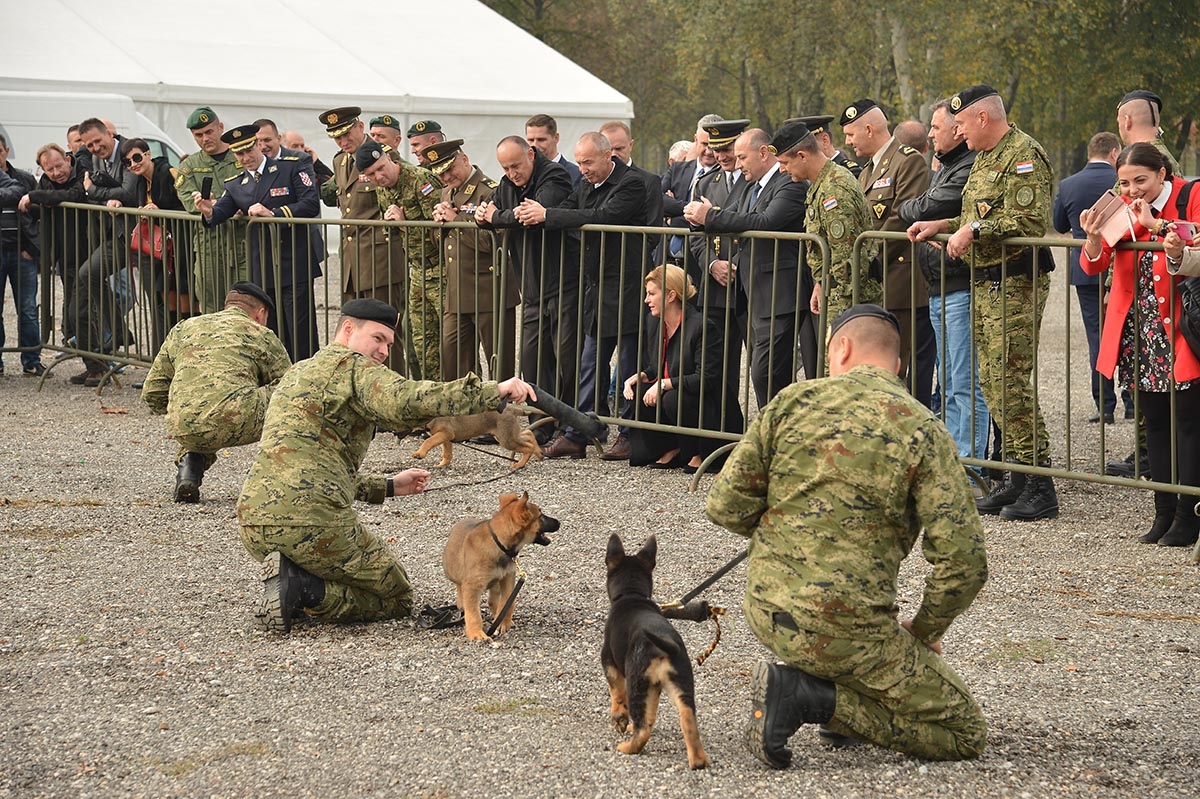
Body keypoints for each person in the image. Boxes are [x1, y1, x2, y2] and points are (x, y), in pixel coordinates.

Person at [705, 303, 988, 766]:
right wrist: (923, 630)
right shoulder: (922, 429)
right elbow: (964, 561)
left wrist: (787, 531)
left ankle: (826, 689)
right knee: (964, 732)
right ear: (897, 366)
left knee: (856, 653)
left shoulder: (790, 402)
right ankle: (811, 698)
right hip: (847, 629)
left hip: (767, 610)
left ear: (840, 348)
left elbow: (725, 506)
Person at [237, 297, 540, 634]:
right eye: (377, 339)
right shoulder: (355, 368)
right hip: (311, 523)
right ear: (348, 329)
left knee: (332, 554)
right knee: (395, 596)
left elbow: (312, 472)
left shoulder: (297, 373)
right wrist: (493, 391)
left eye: (388, 344)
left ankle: (293, 573)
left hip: (253, 521)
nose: (383, 351)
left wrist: (390, 486)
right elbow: (409, 400)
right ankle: (303, 587)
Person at [908, 84, 1058, 522]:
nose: (957, 132)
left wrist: (971, 229)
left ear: (983, 119)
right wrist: (943, 222)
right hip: (988, 283)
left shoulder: (1023, 154)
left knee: (1010, 382)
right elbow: (981, 211)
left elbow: (1029, 220)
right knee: (992, 382)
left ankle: (1039, 483)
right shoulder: (986, 158)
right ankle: (1015, 476)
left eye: (960, 124)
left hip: (1018, 282)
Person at [1078, 142, 1200, 547]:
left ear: (1162, 174)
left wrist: (1157, 225)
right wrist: (1094, 238)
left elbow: (1194, 243)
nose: (1132, 191)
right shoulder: (1123, 205)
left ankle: (1189, 514)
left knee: (1187, 422)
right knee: (1154, 423)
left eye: (1141, 181)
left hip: (1182, 328)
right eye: (1125, 183)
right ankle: (1163, 511)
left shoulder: (1190, 195)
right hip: (1140, 330)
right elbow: (1093, 262)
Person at [516, 132, 647, 461]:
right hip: (596, 288)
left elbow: (603, 217)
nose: (583, 169)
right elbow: (570, 208)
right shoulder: (586, 184)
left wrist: (548, 215)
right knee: (589, 363)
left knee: (628, 363)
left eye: (588, 162)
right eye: (580, 162)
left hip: (626, 288)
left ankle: (629, 433)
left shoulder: (631, 183)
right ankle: (579, 432)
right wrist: (543, 212)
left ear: (608, 157)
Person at [684, 128, 809, 406]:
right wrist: (703, 219)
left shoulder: (789, 183)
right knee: (763, 373)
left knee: (767, 372)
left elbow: (764, 222)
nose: (738, 164)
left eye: (742, 157)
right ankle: (772, 435)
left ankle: (777, 435)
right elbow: (736, 217)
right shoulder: (753, 186)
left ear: (764, 153)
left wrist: (712, 216)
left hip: (779, 292)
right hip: (754, 292)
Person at [897, 99, 989, 468]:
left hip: (959, 285)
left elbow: (920, 207)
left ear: (958, 128)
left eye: (936, 127)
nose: (931, 134)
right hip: (939, 285)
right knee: (949, 384)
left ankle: (970, 470)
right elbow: (916, 205)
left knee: (965, 384)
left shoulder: (966, 166)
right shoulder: (947, 166)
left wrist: (921, 207)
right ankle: (955, 463)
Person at [141, 282, 290, 503]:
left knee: (202, 402)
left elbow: (152, 391)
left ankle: (189, 468)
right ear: (260, 313)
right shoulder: (261, 334)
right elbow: (291, 386)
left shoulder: (184, 328)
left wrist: (177, 414)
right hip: (235, 419)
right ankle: (279, 481)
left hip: (184, 424)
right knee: (288, 394)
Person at [474, 136, 578, 442]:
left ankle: (571, 427)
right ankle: (540, 424)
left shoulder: (554, 175)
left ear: (531, 155)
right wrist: (484, 218)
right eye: (505, 167)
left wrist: (497, 217)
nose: (511, 173)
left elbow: (531, 216)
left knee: (566, 358)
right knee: (532, 359)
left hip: (562, 283)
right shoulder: (508, 184)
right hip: (531, 287)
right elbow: (495, 211)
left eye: (516, 165)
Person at [193, 124, 322, 362]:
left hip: (294, 260)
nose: (245, 158)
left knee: (300, 329)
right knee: (270, 329)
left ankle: (307, 378)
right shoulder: (235, 183)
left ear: (258, 145)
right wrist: (207, 210)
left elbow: (310, 203)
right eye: (239, 154)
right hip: (262, 266)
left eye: (249, 150)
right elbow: (218, 213)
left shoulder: (290, 167)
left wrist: (274, 214)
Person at [841, 99, 934, 406]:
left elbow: (903, 218)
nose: (848, 142)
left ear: (869, 129)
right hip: (878, 282)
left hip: (902, 282)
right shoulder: (868, 170)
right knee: (883, 368)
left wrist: (861, 253)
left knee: (906, 367)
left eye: (851, 134)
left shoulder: (907, 161)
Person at [316, 106, 410, 374]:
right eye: (337, 138)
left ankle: (393, 394)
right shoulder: (340, 161)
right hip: (352, 262)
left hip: (380, 258)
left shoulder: (385, 156)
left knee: (385, 334)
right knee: (355, 333)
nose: (343, 142)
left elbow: (402, 195)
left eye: (347, 134)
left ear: (360, 127)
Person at [768, 121, 882, 339]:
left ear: (802, 156)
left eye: (784, 162)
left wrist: (841, 308)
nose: (782, 169)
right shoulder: (823, 183)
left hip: (849, 299)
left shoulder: (834, 189)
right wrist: (821, 284)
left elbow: (845, 259)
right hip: (837, 293)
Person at [1053, 131, 1131, 424]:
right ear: (1114, 153)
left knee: (1097, 335)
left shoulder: (1068, 184)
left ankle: (1105, 404)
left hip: (1086, 267)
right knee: (1128, 330)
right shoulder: (1122, 184)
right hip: (1122, 265)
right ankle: (1132, 400)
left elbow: (1058, 225)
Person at [424, 139, 518, 381]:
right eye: (439, 172)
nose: (445, 177)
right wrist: (439, 225)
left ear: (464, 159)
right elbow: (441, 244)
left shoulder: (491, 191)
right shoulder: (446, 192)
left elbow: (494, 242)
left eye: (449, 169)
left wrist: (456, 221)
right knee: (453, 357)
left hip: (489, 291)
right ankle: (465, 416)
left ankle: (500, 414)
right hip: (457, 292)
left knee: (498, 361)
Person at [355, 139, 443, 380]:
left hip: (442, 270)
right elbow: (390, 231)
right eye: (371, 174)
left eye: (381, 168)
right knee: (422, 344)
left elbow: (442, 229)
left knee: (452, 342)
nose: (379, 176)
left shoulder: (419, 180)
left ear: (390, 159)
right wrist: (395, 225)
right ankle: (432, 401)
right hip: (417, 272)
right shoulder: (383, 190)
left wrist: (406, 224)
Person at [622, 265, 723, 472]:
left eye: (651, 294)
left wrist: (664, 384)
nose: (646, 300)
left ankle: (699, 452)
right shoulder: (655, 323)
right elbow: (657, 366)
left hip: (706, 402)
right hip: (676, 391)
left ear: (670, 296)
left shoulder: (702, 326)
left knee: (672, 398)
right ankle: (671, 447)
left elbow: (706, 378)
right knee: (638, 391)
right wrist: (640, 376)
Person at [688, 118, 750, 436]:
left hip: (747, 284)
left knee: (757, 368)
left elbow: (754, 225)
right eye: (716, 149)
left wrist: (735, 263)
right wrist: (712, 264)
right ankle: (723, 430)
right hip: (714, 288)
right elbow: (695, 235)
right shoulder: (705, 183)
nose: (722, 156)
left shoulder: (753, 181)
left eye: (727, 149)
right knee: (718, 365)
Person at [71, 117, 138, 386]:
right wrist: (103, 194)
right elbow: (106, 192)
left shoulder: (128, 152)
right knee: (88, 273)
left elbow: (128, 192)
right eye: (90, 145)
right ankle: (120, 332)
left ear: (110, 134)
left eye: (99, 141)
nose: (95, 148)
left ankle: (121, 334)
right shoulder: (96, 159)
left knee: (90, 272)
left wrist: (94, 190)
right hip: (113, 234)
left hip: (134, 234)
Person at [119, 137, 193, 356]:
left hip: (183, 246)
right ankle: (168, 360)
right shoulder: (141, 182)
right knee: (167, 305)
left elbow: (189, 208)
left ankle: (187, 358)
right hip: (163, 251)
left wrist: (160, 210)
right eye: (127, 162)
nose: (133, 164)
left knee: (186, 306)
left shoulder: (170, 173)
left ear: (148, 154)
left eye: (136, 157)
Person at [174, 107, 251, 316]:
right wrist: (221, 204)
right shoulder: (190, 166)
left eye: (209, 132)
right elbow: (189, 199)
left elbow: (253, 190)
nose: (204, 138)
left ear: (220, 127)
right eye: (198, 135)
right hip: (208, 245)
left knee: (245, 303)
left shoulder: (241, 156)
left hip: (243, 243)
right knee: (211, 306)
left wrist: (221, 204)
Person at [20, 144, 88, 352]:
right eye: (50, 169)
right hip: (64, 254)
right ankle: (79, 350)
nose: (56, 173)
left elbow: (74, 195)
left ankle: (100, 357)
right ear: (43, 170)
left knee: (84, 308)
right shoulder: (46, 181)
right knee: (73, 306)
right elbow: (42, 203)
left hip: (86, 250)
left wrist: (35, 196)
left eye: (59, 166)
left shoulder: (82, 173)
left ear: (68, 159)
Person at [0, 133, 42, 376]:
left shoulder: (25, 179)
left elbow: (38, 215)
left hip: (21, 252)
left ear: (6, 150)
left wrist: (33, 249)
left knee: (26, 308)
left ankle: (32, 359)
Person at [526, 113, 581, 186]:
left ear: (556, 138)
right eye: (531, 140)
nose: (535, 145)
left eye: (541, 140)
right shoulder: (524, 175)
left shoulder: (575, 174)